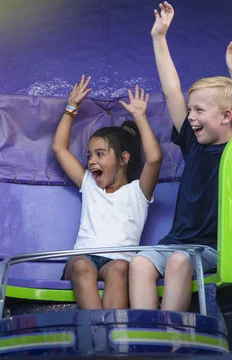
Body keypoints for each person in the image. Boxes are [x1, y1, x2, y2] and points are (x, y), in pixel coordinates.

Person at [129, 1, 232, 311]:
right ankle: (148, 338)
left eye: (199, 110)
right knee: (141, 262)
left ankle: (172, 336)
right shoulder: (193, 142)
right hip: (177, 241)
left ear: (225, 116)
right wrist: (159, 38)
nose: (191, 117)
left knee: (180, 262)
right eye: (190, 110)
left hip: (212, 248)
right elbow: (172, 90)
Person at [52, 76, 163, 309]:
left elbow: (154, 158)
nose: (92, 161)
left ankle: (115, 335)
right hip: (83, 259)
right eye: (90, 155)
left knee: (121, 268)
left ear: (123, 159)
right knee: (82, 266)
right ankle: (97, 336)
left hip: (118, 262)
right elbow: (59, 148)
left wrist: (140, 117)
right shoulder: (90, 184)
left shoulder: (138, 192)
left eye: (100, 154)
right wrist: (71, 108)